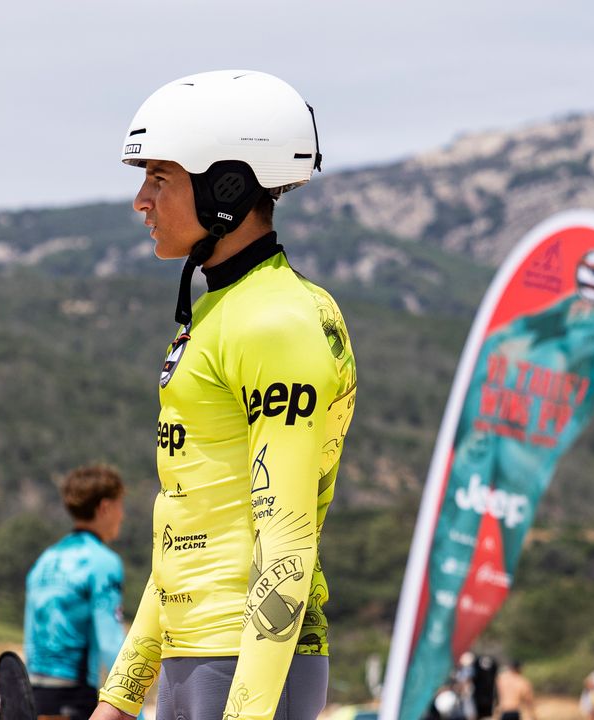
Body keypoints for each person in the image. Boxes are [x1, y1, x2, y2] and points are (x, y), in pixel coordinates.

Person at [92, 70, 358, 720]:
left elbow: (287, 541)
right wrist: (120, 699)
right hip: (195, 656)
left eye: (160, 177)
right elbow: (186, 524)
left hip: (252, 661)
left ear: (226, 187)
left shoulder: (278, 320)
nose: (140, 201)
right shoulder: (217, 314)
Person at [24, 464, 128, 720]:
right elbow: (110, 642)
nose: (122, 515)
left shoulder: (45, 560)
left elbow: (30, 633)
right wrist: (130, 707)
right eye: (119, 506)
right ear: (105, 507)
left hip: (35, 693)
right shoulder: (103, 562)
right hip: (74, 695)